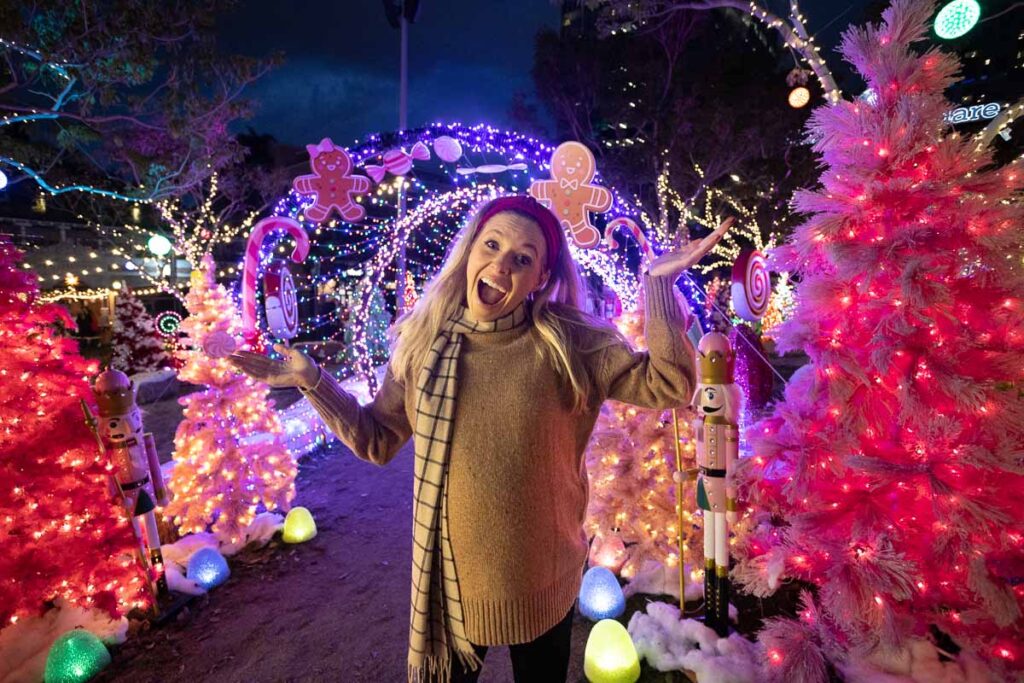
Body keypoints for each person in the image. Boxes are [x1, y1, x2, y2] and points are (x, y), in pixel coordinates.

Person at [230, 195, 731, 683]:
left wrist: (659, 286)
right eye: (491, 245)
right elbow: (376, 440)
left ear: (541, 279)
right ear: (469, 250)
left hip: (544, 582)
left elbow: (669, 384)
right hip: (450, 590)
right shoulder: (423, 342)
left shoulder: (568, 341)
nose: (501, 266)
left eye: (523, 258)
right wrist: (312, 380)